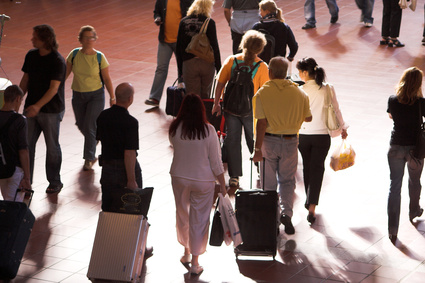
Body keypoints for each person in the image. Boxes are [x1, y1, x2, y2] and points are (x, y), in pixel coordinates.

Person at [252, 57, 312, 235]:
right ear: (286, 73)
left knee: (268, 184)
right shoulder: (299, 93)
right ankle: (287, 213)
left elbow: (261, 124)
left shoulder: (262, 93)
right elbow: (308, 117)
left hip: (269, 142)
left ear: (270, 72)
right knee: (287, 181)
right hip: (290, 142)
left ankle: (273, 219)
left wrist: (257, 150)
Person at [169, 93, 226, 275]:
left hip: (179, 177)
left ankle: (185, 252)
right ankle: (195, 262)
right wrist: (223, 185)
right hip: (203, 180)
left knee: (183, 214)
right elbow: (216, 162)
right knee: (199, 219)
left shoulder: (174, 128)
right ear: (202, 110)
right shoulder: (208, 130)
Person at [212, 30, 269, 187]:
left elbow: (220, 83)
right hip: (252, 111)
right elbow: (264, 92)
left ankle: (234, 176)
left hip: (230, 108)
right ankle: (259, 168)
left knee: (232, 141)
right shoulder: (262, 66)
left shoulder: (232, 61)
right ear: (260, 48)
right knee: (254, 140)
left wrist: (216, 103)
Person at [296, 57, 348, 225]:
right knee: (318, 168)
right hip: (322, 136)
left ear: (304, 73)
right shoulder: (327, 88)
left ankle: (308, 198)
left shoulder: (299, 89)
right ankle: (312, 205)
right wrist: (343, 128)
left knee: (307, 166)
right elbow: (336, 110)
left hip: (303, 135)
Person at [19, 24, 66, 194]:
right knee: (26, 146)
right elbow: (25, 80)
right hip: (31, 108)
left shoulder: (57, 61)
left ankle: (54, 181)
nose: (32, 39)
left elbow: (53, 89)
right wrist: (18, 100)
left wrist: (37, 107)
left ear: (45, 40)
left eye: (35, 37)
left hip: (51, 111)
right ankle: (26, 180)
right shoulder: (31, 56)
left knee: (52, 147)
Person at [65, 25, 115, 171]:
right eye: (86, 37)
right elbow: (64, 75)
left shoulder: (100, 57)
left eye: (91, 37)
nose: (88, 40)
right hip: (78, 95)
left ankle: (89, 158)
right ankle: (94, 139)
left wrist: (112, 97)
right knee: (81, 124)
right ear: (80, 39)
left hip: (96, 95)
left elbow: (106, 78)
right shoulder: (73, 55)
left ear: (95, 39)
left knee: (89, 125)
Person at [387, 67, 424, 244]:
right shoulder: (421, 103)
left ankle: (392, 229)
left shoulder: (393, 100)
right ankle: (414, 210)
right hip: (415, 150)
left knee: (395, 186)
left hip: (395, 147)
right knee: (414, 181)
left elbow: (391, 116)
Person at [96, 82, 142, 209]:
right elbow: (129, 152)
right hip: (124, 169)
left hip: (108, 168)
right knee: (132, 208)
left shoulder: (103, 116)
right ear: (130, 99)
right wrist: (131, 180)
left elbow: (97, 138)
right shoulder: (131, 122)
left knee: (108, 206)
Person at [145, 0, 193, 107]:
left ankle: (183, 99)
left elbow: (193, 14)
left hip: (181, 41)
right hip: (165, 40)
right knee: (161, 68)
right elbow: (156, 12)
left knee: (182, 70)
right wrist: (157, 18)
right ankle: (154, 98)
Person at [176, 0, 221, 99]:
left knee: (192, 97)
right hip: (207, 63)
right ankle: (204, 113)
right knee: (205, 96)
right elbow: (215, 47)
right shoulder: (209, 22)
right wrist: (219, 69)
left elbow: (178, 48)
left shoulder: (183, 22)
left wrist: (180, 72)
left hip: (189, 63)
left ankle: (194, 114)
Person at [0, 85, 31, 202]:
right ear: (18, 99)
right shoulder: (20, 120)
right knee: (13, 206)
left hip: (1, 168)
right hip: (15, 170)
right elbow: (23, 151)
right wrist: (27, 178)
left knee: (6, 200)